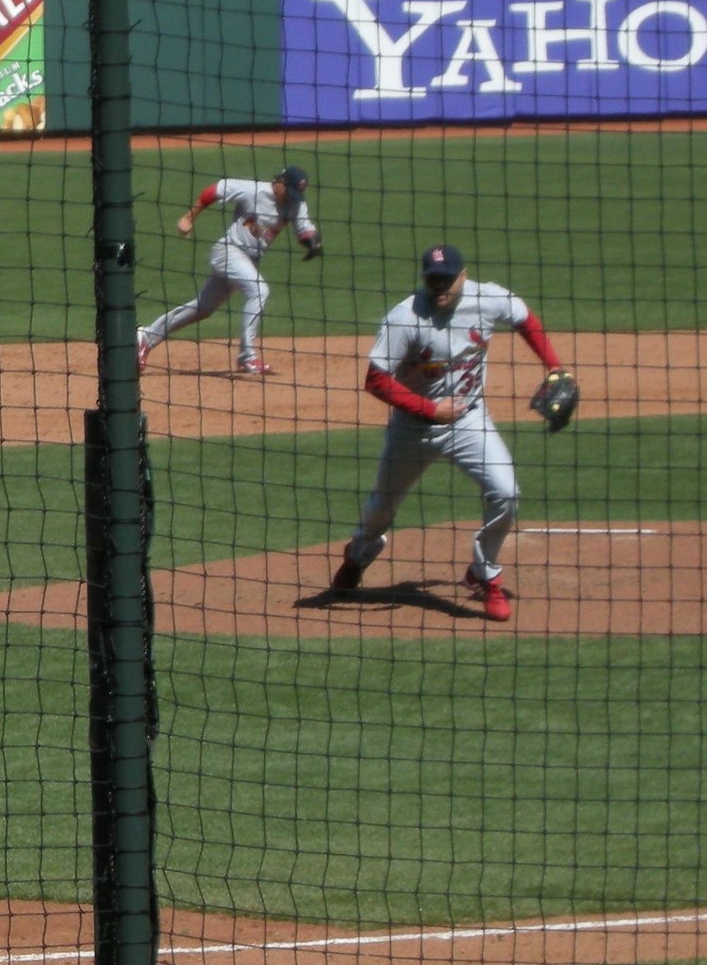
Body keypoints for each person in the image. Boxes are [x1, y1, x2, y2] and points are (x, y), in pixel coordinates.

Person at [326, 246, 568, 622]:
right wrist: (430, 410)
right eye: (433, 279)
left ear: (463, 276)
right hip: (412, 429)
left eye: (447, 279)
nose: (439, 287)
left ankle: (484, 574)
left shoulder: (486, 298)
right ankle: (359, 555)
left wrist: (554, 366)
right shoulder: (405, 318)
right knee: (381, 509)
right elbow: (375, 380)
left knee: (506, 492)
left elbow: (525, 318)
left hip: (470, 422)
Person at [139, 165, 321, 376]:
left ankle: (146, 337)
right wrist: (189, 217)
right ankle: (247, 357)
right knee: (259, 290)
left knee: (203, 308)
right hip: (227, 252)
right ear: (279, 183)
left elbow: (305, 229)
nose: (291, 198)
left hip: (246, 261)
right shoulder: (253, 190)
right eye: (289, 192)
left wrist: (314, 244)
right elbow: (215, 190)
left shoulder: (296, 203)